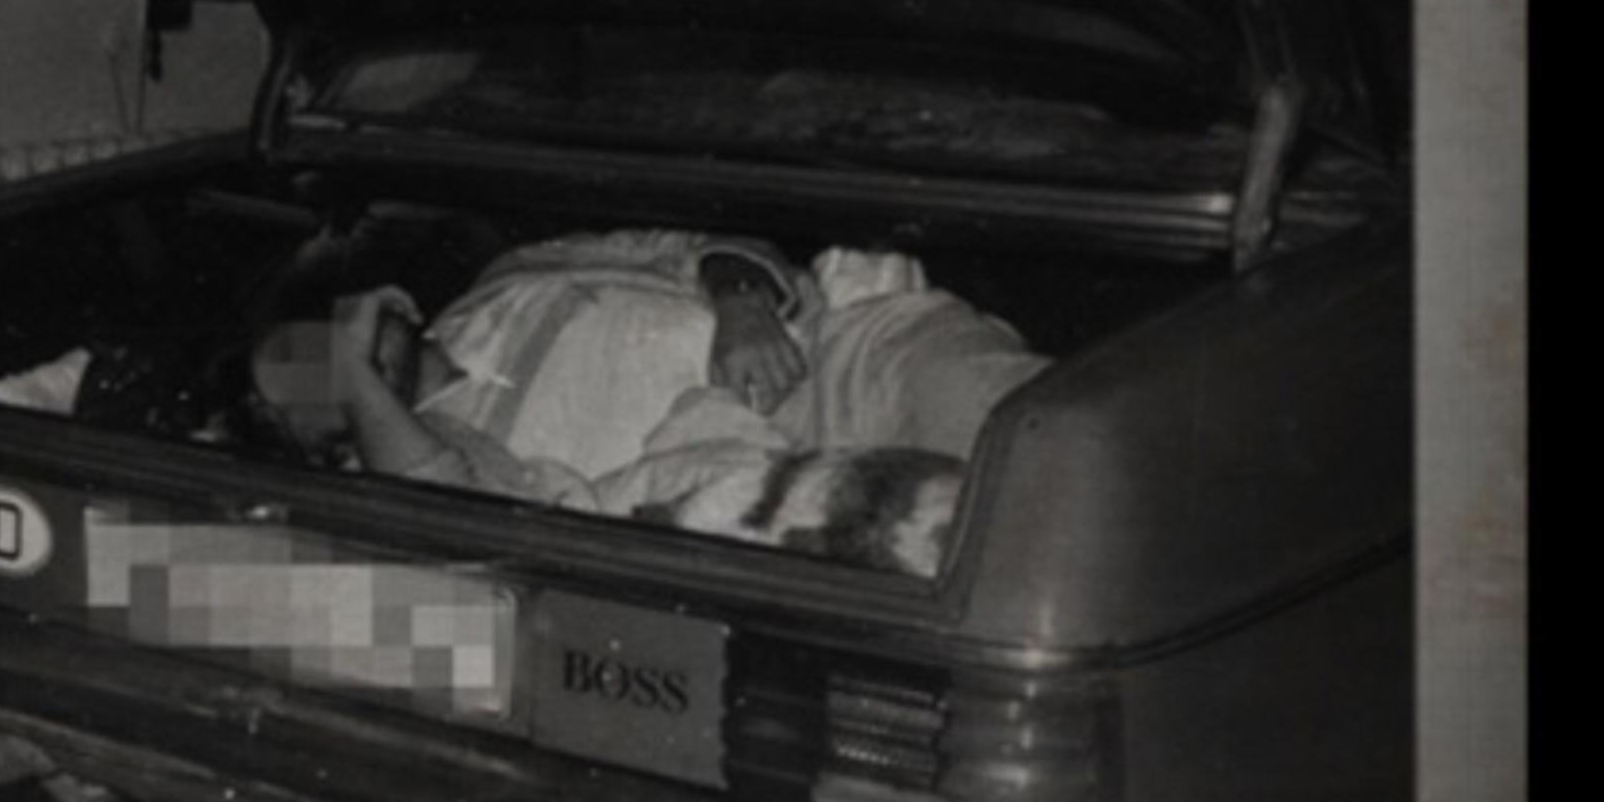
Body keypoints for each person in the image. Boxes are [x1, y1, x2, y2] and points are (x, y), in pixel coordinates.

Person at [264, 229, 1050, 572]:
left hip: (831, 355)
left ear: (393, 302)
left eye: (315, 347)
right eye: (306, 387)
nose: (317, 373)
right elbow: (447, 519)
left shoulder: (516, 272)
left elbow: (691, 243)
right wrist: (359, 380)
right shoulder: (435, 450)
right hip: (747, 487)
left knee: (1030, 431)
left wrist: (741, 301)